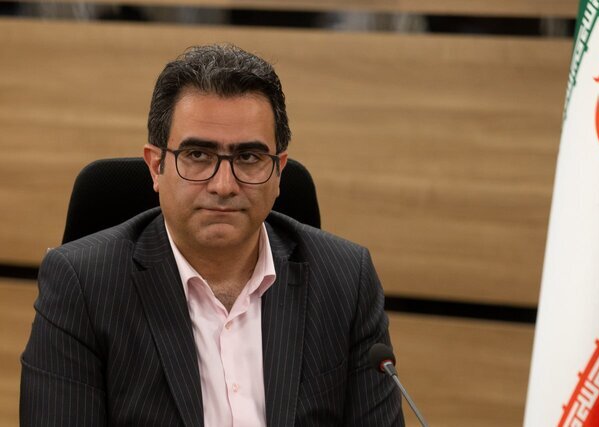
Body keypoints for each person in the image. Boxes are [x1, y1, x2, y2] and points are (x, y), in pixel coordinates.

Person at [20, 44, 403, 426]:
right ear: (156, 166)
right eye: (198, 156)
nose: (223, 185)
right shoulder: (83, 287)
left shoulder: (345, 280)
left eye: (249, 158)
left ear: (278, 172)